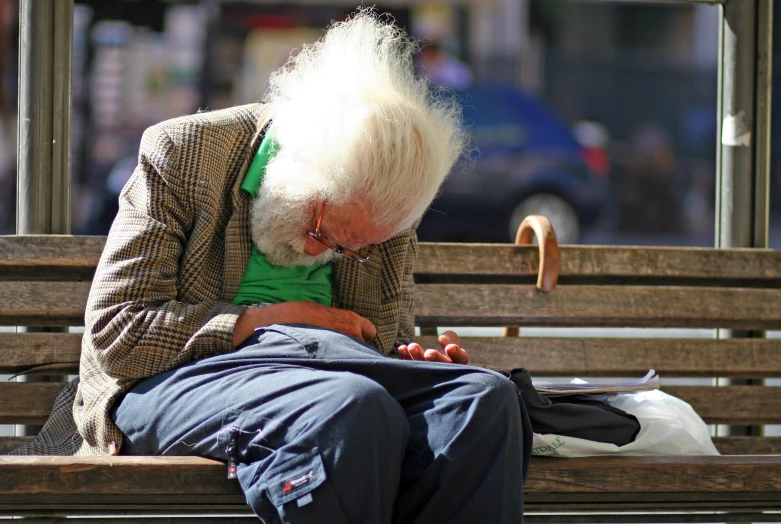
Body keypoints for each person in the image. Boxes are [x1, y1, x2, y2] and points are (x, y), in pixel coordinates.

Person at [14, 10, 529, 523]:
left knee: (483, 403)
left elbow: (382, 340)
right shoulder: (185, 153)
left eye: (358, 247)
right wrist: (269, 320)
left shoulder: (380, 214)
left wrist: (414, 364)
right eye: (321, 231)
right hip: (173, 381)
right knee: (349, 408)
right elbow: (118, 334)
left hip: (332, 377)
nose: (319, 251)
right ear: (296, 163)